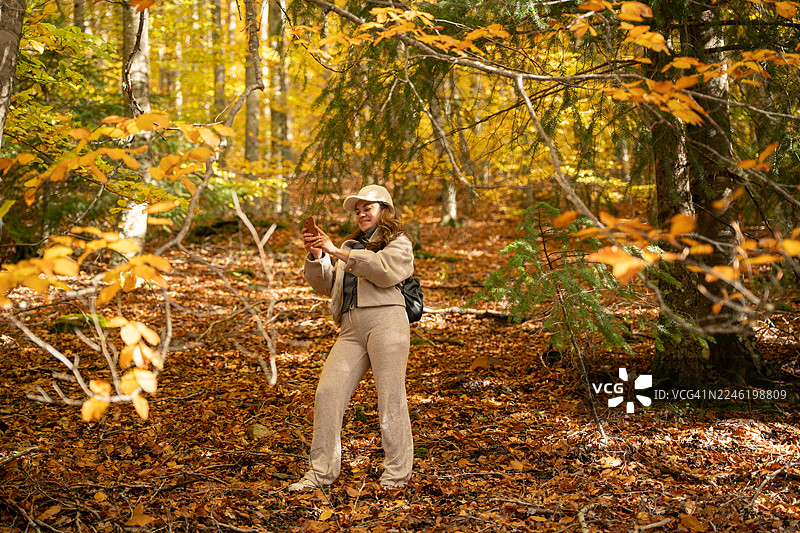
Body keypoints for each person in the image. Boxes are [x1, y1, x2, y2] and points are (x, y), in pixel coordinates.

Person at [291, 184, 415, 491]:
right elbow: (327, 285)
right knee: (328, 392)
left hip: (387, 320)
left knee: (391, 399)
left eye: (367, 208)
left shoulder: (399, 242)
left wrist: (337, 251)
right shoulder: (349, 246)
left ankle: (396, 475)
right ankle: (321, 471)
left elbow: (385, 270)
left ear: (384, 210)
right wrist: (319, 254)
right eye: (357, 210)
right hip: (350, 328)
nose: (360, 214)